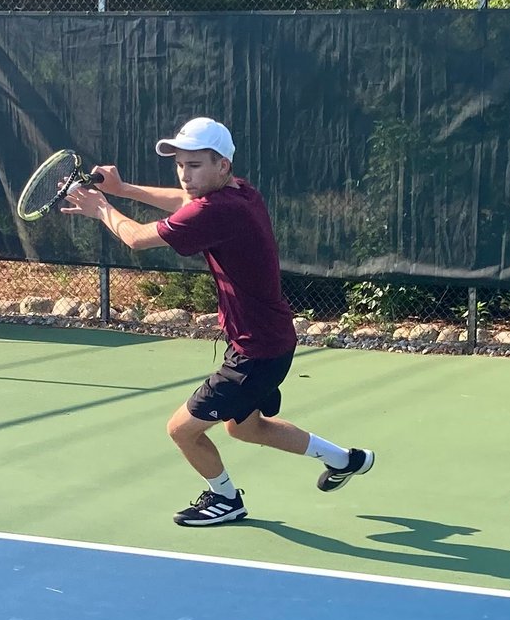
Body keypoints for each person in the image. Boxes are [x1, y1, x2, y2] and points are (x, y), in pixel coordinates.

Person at [61, 116, 374, 527]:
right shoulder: (242, 193)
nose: (185, 175)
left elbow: (136, 239)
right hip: (268, 341)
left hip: (257, 351)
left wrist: (102, 207)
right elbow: (185, 203)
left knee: (182, 430)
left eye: (195, 166)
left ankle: (226, 500)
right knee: (246, 429)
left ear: (222, 165)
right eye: (180, 165)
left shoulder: (220, 210)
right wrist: (123, 189)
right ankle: (348, 460)